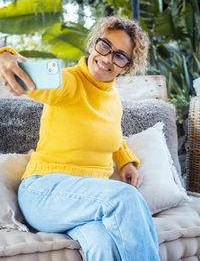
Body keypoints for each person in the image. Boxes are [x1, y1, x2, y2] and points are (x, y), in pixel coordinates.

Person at [0, 16, 160, 261]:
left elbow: (112, 134)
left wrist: (125, 161)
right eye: (104, 45)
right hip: (45, 193)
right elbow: (31, 77)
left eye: (119, 56)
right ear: (93, 44)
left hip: (86, 204)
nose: (107, 57)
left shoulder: (112, 98)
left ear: (126, 66)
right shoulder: (70, 82)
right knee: (125, 197)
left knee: (104, 245)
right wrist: (6, 55)